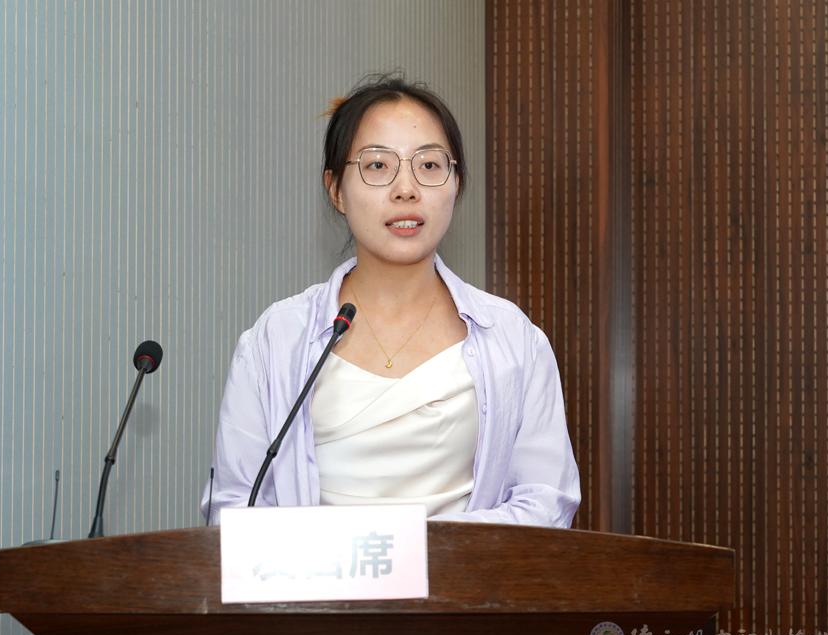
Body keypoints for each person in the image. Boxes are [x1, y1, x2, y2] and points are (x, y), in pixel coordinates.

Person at [200, 75, 580, 527]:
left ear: (456, 183)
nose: (406, 189)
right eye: (378, 165)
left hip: (468, 574)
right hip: (311, 577)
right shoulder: (276, 340)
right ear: (336, 190)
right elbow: (234, 510)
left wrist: (420, 551)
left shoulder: (514, 340)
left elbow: (546, 504)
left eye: (430, 165)